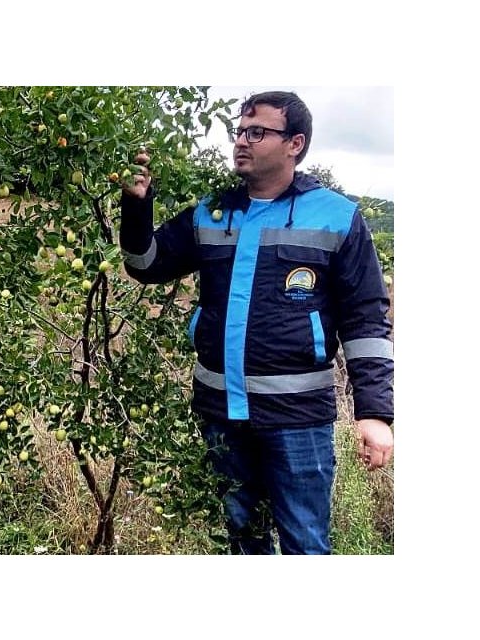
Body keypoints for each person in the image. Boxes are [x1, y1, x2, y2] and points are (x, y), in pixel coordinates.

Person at [117, 91, 394, 554]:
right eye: (239, 131)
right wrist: (136, 206)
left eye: (257, 132)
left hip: (298, 419)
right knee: (242, 542)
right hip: (221, 413)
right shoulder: (212, 211)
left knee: (305, 544)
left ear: (295, 143)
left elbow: (366, 318)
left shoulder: (337, 217)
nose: (242, 142)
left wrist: (375, 413)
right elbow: (145, 264)